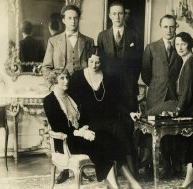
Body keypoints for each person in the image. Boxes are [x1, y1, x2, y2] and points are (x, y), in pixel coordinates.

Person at [67, 46, 143, 189]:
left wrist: (129, 113)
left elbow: (116, 102)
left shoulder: (108, 78)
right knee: (109, 140)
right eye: (91, 62)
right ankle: (126, 181)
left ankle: (131, 180)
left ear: (102, 62)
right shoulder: (77, 77)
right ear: (86, 60)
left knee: (122, 133)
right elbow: (70, 102)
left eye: (97, 62)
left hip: (108, 119)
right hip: (87, 121)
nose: (94, 65)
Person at [43, 68, 119, 188]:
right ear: (54, 81)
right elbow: (59, 126)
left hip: (78, 135)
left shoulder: (70, 97)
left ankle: (108, 180)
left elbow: (82, 118)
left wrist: (85, 129)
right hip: (65, 141)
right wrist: (81, 133)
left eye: (67, 77)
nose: (66, 81)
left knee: (107, 137)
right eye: (62, 78)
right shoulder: (49, 101)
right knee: (98, 145)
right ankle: (114, 185)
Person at [97, 1, 143, 176]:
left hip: (128, 90)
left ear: (125, 15)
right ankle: (116, 168)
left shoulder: (134, 35)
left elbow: (138, 64)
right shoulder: (102, 36)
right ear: (109, 16)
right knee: (111, 128)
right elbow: (99, 63)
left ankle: (131, 170)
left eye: (120, 14)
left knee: (128, 127)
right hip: (108, 90)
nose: (117, 17)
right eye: (114, 14)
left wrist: (131, 82)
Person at [141, 14, 183, 179]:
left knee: (173, 133)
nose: (169, 30)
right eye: (165, 26)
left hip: (174, 97)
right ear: (161, 27)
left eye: (172, 26)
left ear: (176, 27)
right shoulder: (151, 47)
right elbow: (145, 74)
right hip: (156, 96)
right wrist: (157, 85)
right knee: (154, 133)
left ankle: (173, 167)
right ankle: (153, 166)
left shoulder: (181, 47)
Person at [42, 5, 94, 85]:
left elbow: (93, 67)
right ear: (63, 20)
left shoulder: (89, 41)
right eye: (69, 18)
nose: (73, 21)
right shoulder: (53, 41)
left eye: (75, 18)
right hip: (60, 87)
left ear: (79, 19)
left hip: (83, 87)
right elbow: (46, 68)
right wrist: (52, 86)